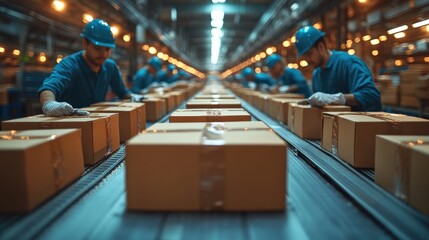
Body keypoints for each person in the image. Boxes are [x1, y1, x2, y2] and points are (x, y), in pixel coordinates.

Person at [38, 19, 141, 117]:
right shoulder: (69, 65)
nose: (103, 54)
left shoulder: (110, 67)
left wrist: (133, 96)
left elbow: (122, 92)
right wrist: (50, 104)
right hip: (70, 126)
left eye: (107, 49)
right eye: (97, 48)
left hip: (97, 123)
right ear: (84, 44)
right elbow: (48, 88)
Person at [294, 26, 381, 111]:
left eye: (309, 54)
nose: (307, 60)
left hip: (361, 123)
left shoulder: (348, 63)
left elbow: (371, 95)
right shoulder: (316, 74)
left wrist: (336, 99)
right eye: (304, 56)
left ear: (321, 47)